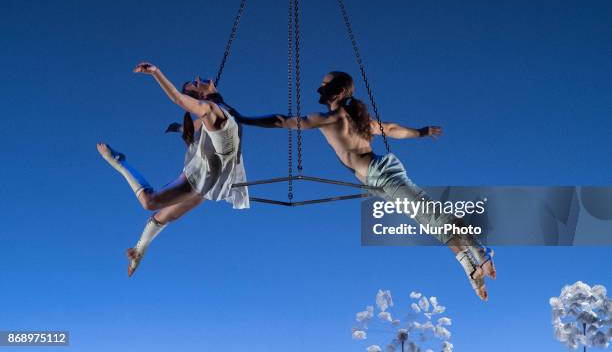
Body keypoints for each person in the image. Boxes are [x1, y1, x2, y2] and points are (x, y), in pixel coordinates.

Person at [232, 71, 496, 300]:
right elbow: (391, 128)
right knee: (431, 222)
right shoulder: (351, 121)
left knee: (435, 218)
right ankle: (471, 266)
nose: (318, 88)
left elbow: (282, 121)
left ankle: (480, 256)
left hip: (383, 175)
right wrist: (420, 132)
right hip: (378, 179)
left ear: (338, 89)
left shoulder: (333, 120)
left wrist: (242, 119)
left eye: (324, 83)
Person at [96, 62, 248, 277]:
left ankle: (139, 250)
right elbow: (178, 98)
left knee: (165, 216)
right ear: (198, 98)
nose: (196, 80)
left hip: (214, 180)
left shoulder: (225, 110)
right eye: (193, 87)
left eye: (197, 82)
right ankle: (119, 162)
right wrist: (156, 72)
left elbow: (196, 126)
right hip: (202, 175)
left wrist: (180, 128)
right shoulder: (208, 109)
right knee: (150, 202)